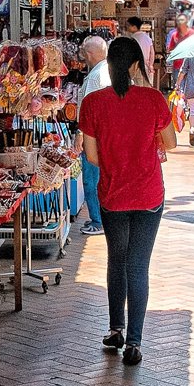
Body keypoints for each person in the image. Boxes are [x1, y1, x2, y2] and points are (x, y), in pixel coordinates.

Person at [79, 36, 176, 366]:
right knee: (138, 264)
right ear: (137, 64)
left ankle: (115, 329)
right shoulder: (153, 99)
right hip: (149, 193)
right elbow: (172, 144)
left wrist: (117, 161)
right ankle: (134, 341)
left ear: (107, 63)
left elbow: (91, 156)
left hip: (112, 194)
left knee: (116, 260)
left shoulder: (93, 102)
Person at [76, 35, 112, 237]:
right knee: (98, 178)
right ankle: (100, 218)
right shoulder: (106, 70)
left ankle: (98, 220)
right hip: (102, 134)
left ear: (89, 54)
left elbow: (90, 109)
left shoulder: (98, 75)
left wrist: (81, 133)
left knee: (91, 179)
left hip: (95, 136)